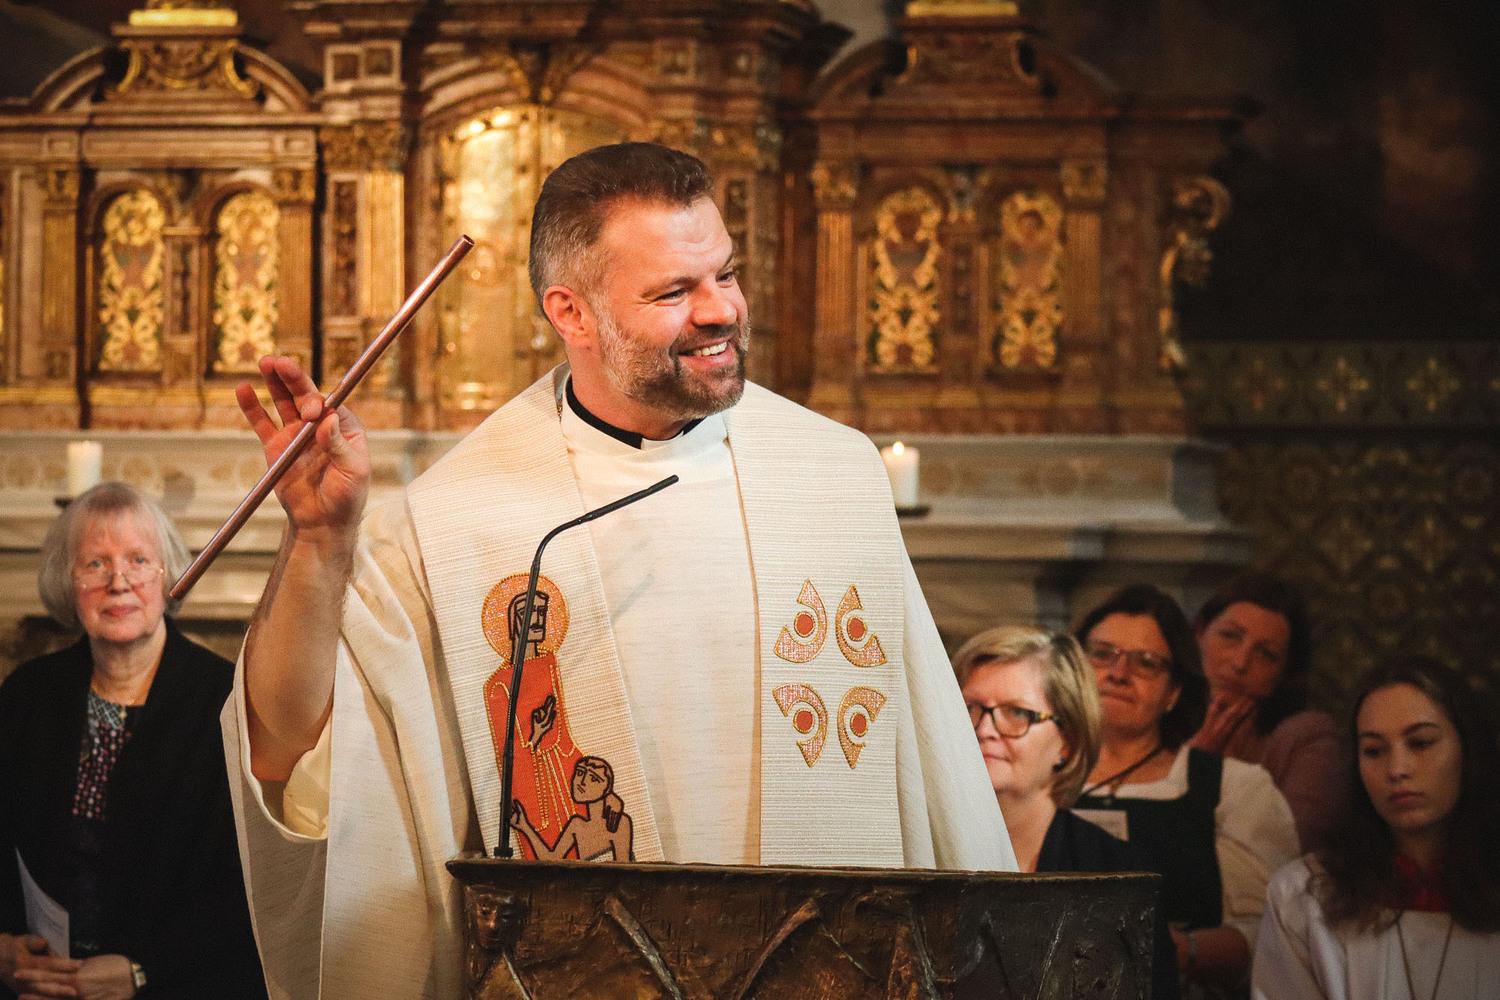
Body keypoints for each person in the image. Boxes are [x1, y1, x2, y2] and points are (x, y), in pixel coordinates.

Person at [225, 141, 1015, 1000]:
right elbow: (298, 755)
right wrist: (319, 541)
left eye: (725, 274)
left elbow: (935, 780)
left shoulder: (830, 476)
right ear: (571, 312)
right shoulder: (456, 520)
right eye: (673, 292)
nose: (720, 310)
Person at [0, 483, 266, 1000]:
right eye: (95, 564)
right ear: (68, 582)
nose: (118, 582)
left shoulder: (225, 699)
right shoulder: (26, 694)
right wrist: (4, 949)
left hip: (181, 986)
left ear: (170, 576)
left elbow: (249, 885)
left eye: (139, 560)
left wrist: (143, 972)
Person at [1071, 584, 1298, 997]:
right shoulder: (1033, 779)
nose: (1118, 673)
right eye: (1102, 654)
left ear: (1174, 692)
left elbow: (1274, 933)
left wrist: (1177, 949)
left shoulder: (1234, 788)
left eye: (1146, 663)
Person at [1252, 656, 1500, 999]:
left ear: (1468, 749)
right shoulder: (1303, 896)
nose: (1397, 769)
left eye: (1421, 743)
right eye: (1374, 750)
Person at [953, 625, 1180, 1000]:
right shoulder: (917, 852)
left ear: (1068, 742)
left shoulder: (1117, 877)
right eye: (968, 708)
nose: (983, 729)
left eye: (1017, 713)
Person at [1191, 571, 1342, 851]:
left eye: (1265, 654)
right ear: (1200, 632)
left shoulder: (1307, 737)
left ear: (1284, 672)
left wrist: (1215, 771)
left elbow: (1287, 847)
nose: (1240, 663)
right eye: (1229, 637)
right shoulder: (1158, 712)